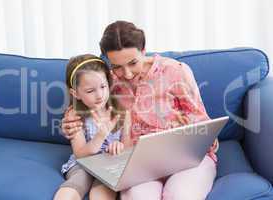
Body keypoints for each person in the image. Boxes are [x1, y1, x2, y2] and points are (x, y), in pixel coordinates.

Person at [61, 21, 219, 200]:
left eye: (133, 63)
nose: (126, 73)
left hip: (186, 158)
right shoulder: (109, 81)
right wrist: (71, 118)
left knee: (179, 196)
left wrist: (207, 137)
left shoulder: (175, 71)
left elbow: (202, 121)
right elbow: (87, 97)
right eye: (117, 67)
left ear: (143, 50)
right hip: (139, 162)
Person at [54, 54, 131, 200]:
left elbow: (127, 146)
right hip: (83, 163)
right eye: (90, 91)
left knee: (104, 188)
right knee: (76, 182)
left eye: (103, 87)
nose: (100, 95)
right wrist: (101, 135)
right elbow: (80, 154)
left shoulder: (122, 112)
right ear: (75, 93)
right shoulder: (75, 116)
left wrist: (119, 146)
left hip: (110, 163)